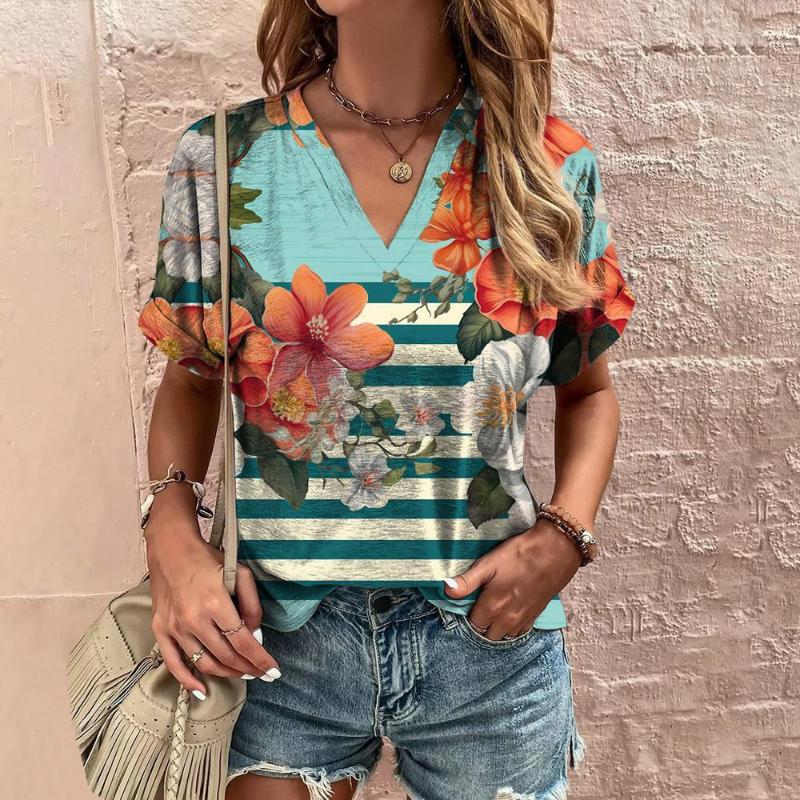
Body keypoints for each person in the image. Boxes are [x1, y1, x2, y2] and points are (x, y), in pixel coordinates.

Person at [136, 1, 637, 798]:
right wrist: (170, 535)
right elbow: (192, 378)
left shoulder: (543, 165)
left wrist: (564, 539)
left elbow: (589, 392)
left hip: (488, 648)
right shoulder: (226, 159)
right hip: (275, 644)